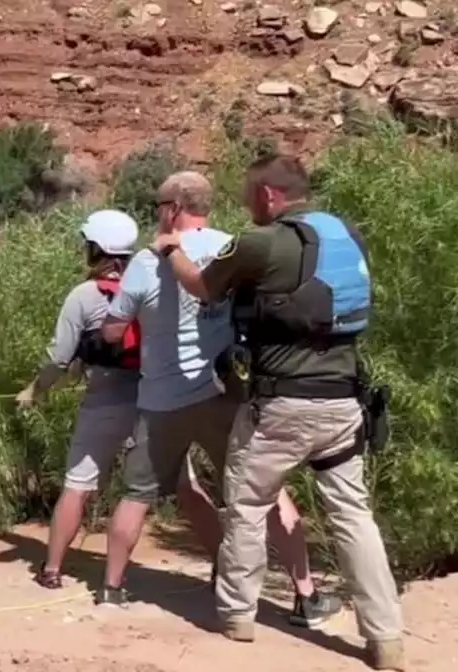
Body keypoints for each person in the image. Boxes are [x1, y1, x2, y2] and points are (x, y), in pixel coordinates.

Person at [157, 155, 403, 668]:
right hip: (343, 403)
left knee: (247, 504)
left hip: (281, 406)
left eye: (250, 194)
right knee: (354, 517)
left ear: (269, 195)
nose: (247, 203)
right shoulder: (346, 234)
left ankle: (238, 617)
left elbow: (202, 286)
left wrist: (172, 251)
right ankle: (386, 637)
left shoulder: (259, 242)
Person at [95, 171, 341, 629]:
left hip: (160, 400)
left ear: (172, 208)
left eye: (158, 206)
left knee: (137, 494)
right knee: (265, 493)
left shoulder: (145, 263)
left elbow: (113, 329)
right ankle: (306, 595)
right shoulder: (236, 247)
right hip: (223, 392)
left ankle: (112, 588)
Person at [16, 210, 146, 588]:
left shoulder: (85, 296)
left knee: (79, 483)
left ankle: (52, 570)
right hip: (155, 398)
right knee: (181, 486)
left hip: (105, 399)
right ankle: (224, 565)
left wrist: (34, 390)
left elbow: (59, 357)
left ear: (96, 250)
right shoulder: (152, 287)